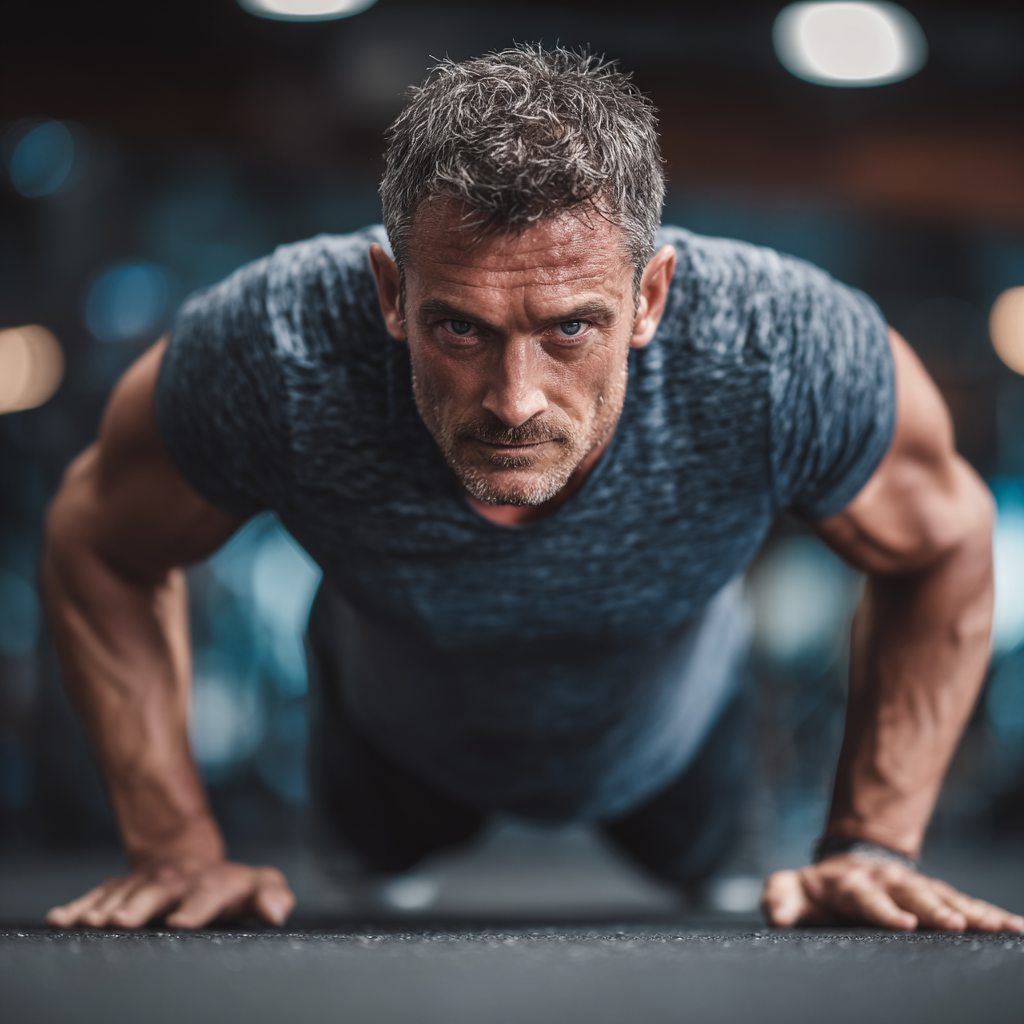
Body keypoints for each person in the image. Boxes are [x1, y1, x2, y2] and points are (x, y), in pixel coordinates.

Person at [42, 46, 1022, 933]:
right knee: (360, 921)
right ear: (391, 293)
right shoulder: (273, 347)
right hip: (390, 747)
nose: (513, 401)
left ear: (650, 296)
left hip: (673, 750)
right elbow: (99, 540)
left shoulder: (780, 350)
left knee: (735, 918)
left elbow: (944, 538)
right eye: (460, 328)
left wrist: (874, 839)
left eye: (568, 329)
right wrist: (172, 844)